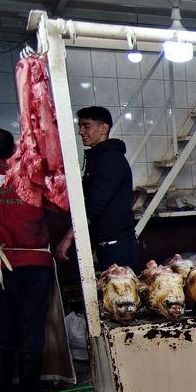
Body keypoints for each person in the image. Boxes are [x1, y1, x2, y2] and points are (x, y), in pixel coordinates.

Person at [0, 128, 55, 392]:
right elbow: (55, 207)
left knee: (2, 327)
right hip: (33, 265)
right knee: (31, 327)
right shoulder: (32, 174)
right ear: (13, 150)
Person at [55, 106, 138, 272]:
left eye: (86, 126)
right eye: (80, 126)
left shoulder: (109, 159)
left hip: (116, 246)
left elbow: (95, 204)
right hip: (107, 244)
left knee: (122, 288)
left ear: (104, 128)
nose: (81, 131)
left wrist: (68, 237)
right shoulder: (99, 157)